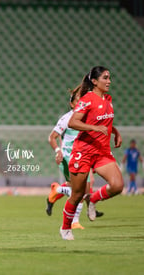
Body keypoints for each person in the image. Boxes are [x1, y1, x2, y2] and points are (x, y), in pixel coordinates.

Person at [60, 66, 123, 240]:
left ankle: (93, 199)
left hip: (102, 152)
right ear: (94, 81)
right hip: (84, 151)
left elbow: (103, 121)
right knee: (77, 194)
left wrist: (115, 132)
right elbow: (73, 122)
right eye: (105, 78)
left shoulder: (108, 99)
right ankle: (65, 228)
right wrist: (95, 128)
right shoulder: (87, 99)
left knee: (118, 185)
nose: (109, 81)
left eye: (109, 77)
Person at [46, 87, 103, 229]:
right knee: (80, 190)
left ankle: (57, 190)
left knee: (84, 190)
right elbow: (51, 137)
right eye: (78, 102)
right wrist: (58, 151)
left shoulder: (88, 118)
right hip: (68, 159)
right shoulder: (67, 118)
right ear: (72, 105)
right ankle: (74, 221)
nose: (81, 105)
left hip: (83, 157)